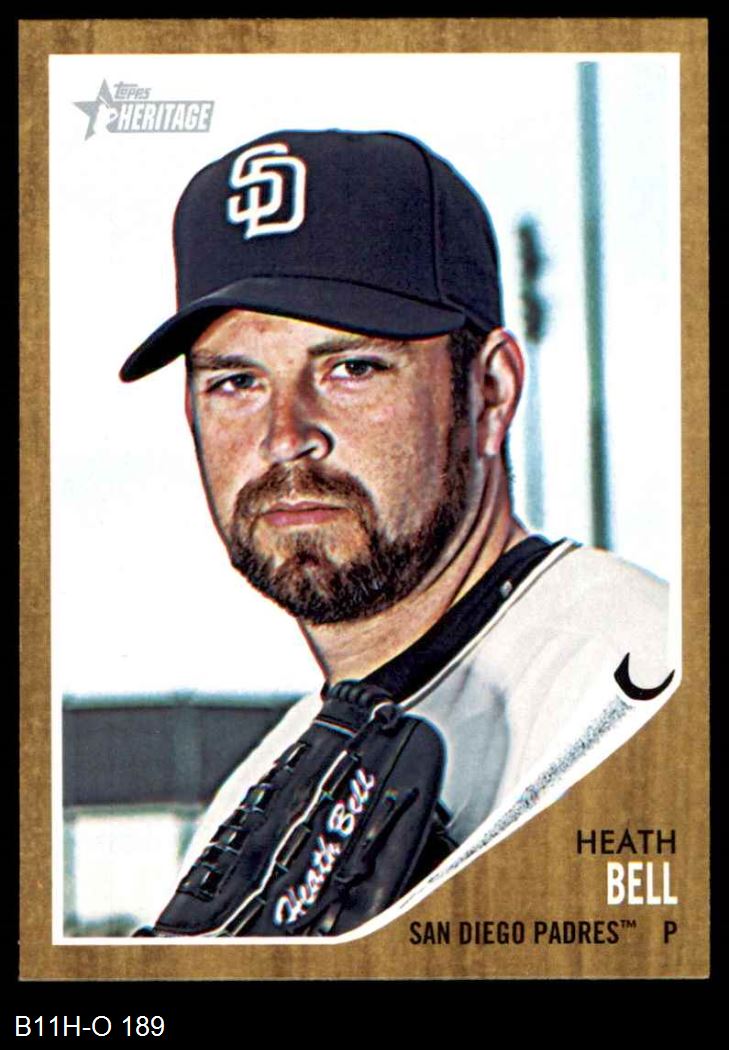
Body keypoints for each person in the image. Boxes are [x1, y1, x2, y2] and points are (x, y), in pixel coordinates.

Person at [121, 129, 675, 937]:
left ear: (489, 393)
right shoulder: (255, 798)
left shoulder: (642, 687)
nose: (285, 438)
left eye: (350, 368)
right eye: (236, 381)